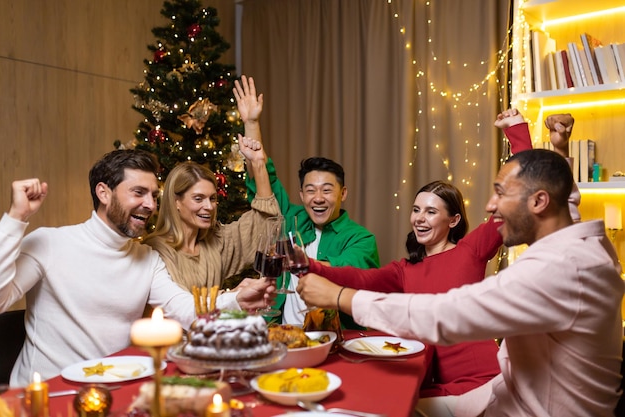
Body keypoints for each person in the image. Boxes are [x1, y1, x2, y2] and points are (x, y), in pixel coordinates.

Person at [297, 149, 624, 416]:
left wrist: (341, 297)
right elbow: (562, 202)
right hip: (501, 393)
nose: (490, 207)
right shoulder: (576, 246)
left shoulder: (559, 268)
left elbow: (447, 314)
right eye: (416, 210)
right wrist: (560, 150)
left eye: (500, 194)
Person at [0, 149, 274, 386]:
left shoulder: (146, 258)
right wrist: (15, 218)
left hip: (113, 389)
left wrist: (236, 300)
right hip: (46, 395)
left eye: (154, 195)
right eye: (139, 193)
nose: (151, 205)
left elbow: (185, 309)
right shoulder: (50, 242)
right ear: (103, 193)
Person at [234, 75, 380, 327]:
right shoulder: (289, 219)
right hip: (284, 335)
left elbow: (348, 272)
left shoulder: (361, 239)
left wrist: (302, 261)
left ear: (342, 193)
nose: (318, 198)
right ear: (302, 196)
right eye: (311, 190)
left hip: (336, 340)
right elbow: (262, 178)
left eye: (327, 190)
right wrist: (251, 123)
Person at [142, 135, 280, 293]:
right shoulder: (156, 249)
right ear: (176, 202)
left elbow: (264, 226)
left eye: (212, 198)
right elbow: (178, 303)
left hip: (216, 318)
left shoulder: (215, 241)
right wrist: (232, 296)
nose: (209, 206)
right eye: (198, 198)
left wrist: (258, 164)